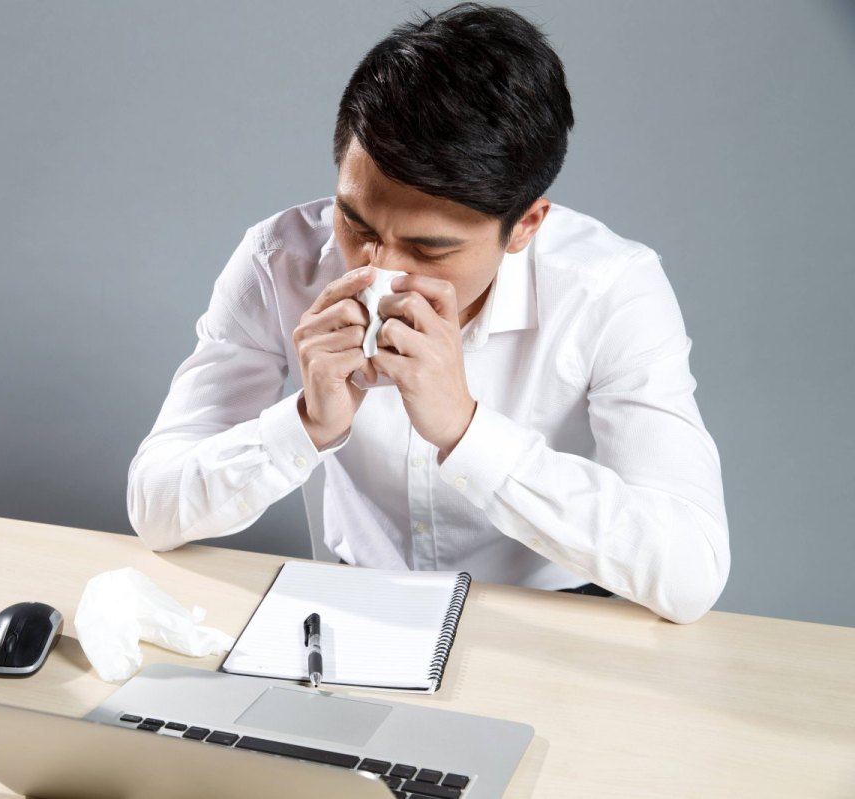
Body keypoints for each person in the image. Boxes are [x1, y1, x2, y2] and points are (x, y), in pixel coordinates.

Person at [126, 3, 728, 624]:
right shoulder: (279, 258)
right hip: (349, 608)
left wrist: (466, 431)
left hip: (557, 622)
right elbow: (154, 507)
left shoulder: (609, 288)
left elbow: (690, 570)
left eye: (429, 247)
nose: (375, 267)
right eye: (355, 224)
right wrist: (305, 424)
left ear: (525, 224)